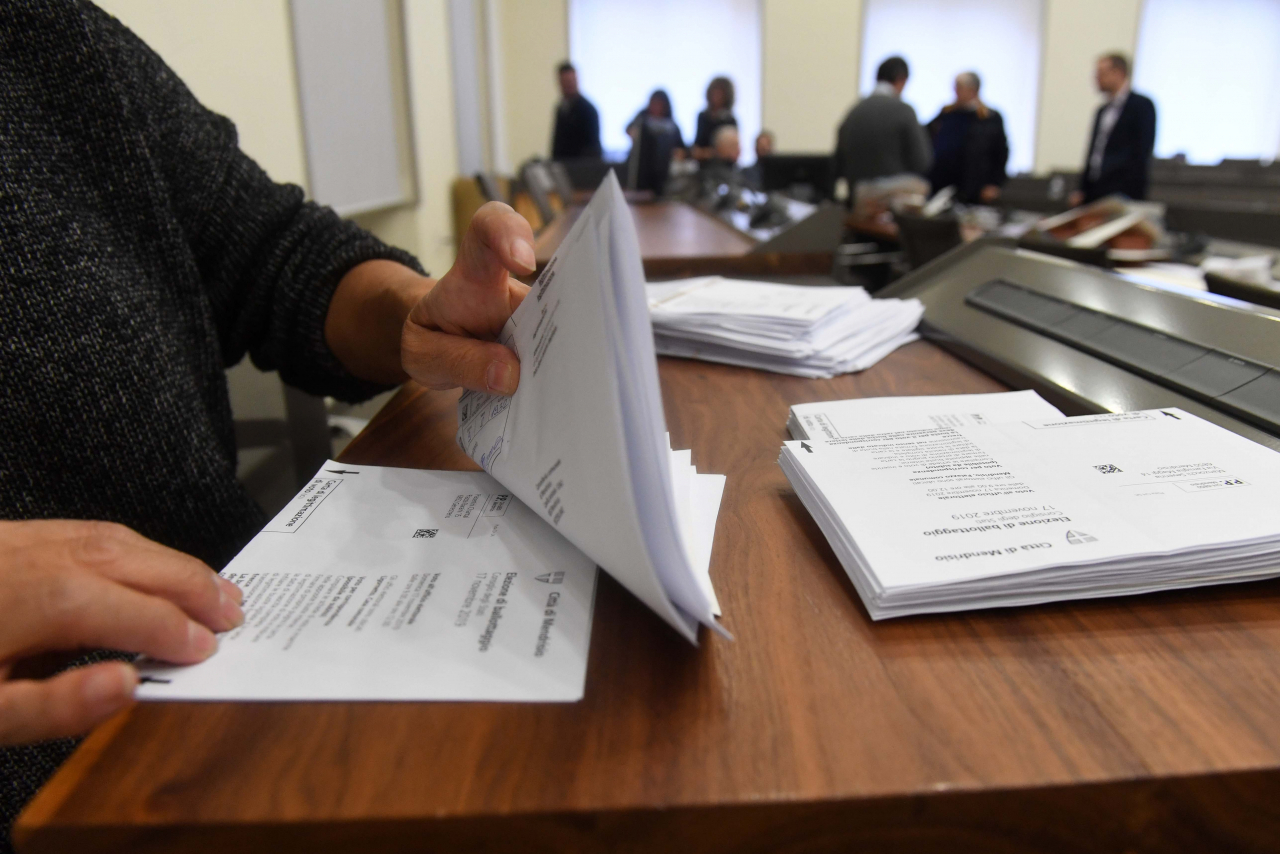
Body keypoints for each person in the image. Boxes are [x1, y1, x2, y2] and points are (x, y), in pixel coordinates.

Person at [0, 3, 537, 847]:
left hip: (252, 647)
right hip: (66, 790)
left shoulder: (46, 39)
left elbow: (275, 251)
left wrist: (412, 314)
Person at [834, 56, 932, 208]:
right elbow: (922, 162)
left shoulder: (854, 112)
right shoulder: (904, 111)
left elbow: (838, 163)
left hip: (856, 200)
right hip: (889, 204)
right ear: (901, 79)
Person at [1069, 53, 1156, 206]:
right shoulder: (1101, 111)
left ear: (1118, 73)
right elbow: (1094, 153)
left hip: (1123, 193)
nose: (1096, 78)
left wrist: (1125, 192)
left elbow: (1141, 153)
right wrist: (1083, 189)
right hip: (1095, 191)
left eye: (1101, 73)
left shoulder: (1142, 106)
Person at [926, 72, 1009, 205]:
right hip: (942, 186)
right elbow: (926, 139)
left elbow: (1001, 153)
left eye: (959, 87)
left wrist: (994, 183)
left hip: (975, 187)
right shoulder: (946, 114)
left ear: (973, 90)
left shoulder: (989, 118)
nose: (955, 91)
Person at [625, 90, 684, 194]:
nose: (656, 107)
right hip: (641, 169)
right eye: (654, 103)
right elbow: (628, 129)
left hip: (663, 171)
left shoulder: (672, 126)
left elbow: (681, 148)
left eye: (659, 104)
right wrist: (633, 132)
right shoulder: (642, 119)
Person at [550, 61, 602, 160]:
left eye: (572, 81)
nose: (569, 85)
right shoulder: (560, 108)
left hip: (581, 165)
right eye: (566, 82)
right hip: (563, 164)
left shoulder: (588, 110)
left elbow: (593, 149)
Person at [691, 76, 737, 162]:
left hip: (725, 165)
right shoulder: (703, 117)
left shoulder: (730, 120)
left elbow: (731, 151)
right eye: (714, 92)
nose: (716, 96)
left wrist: (709, 153)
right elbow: (697, 145)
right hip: (704, 165)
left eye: (720, 93)